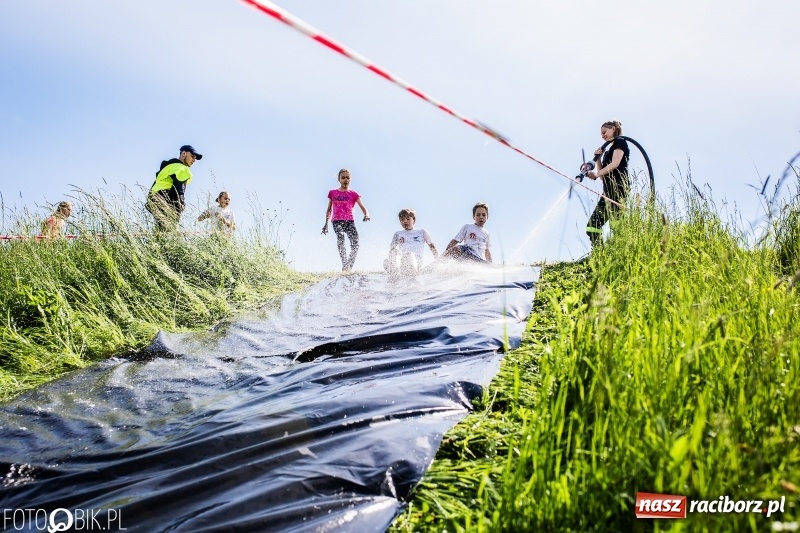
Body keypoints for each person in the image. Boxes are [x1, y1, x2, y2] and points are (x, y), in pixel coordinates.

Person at [585, 120, 630, 247]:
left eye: (604, 132)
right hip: (608, 191)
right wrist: (598, 159)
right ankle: (601, 255)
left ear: (614, 128)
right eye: (601, 134)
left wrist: (597, 174)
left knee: (617, 226)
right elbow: (602, 176)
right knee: (592, 227)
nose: (603, 136)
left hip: (618, 188)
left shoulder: (620, 142)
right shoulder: (608, 151)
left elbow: (615, 164)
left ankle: (620, 253)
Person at [321, 168, 370, 271]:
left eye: (348, 178)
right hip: (337, 221)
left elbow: (363, 208)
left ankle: (349, 266)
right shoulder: (333, 192)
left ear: (350, 179)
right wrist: (326, 224)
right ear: (339, 179)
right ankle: (344, 263)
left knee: (355, 243)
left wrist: (366, 215)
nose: (345, 180)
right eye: (343, 178)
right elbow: (329, 209)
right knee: (341, 237)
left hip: (349, 221)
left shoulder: (354, 194)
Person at [146, 144, 203, 231]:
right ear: (183, 154)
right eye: (192, 156)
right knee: (171, 230)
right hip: (164, 198)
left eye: (195, 158)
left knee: (161, 229)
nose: (194, 160)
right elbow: (178, 192)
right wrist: (179, 209)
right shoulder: (182, 169)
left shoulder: (168, 167)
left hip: (153, 198)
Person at [384, 208, 438, 276]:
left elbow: (431, 245)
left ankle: (413, 273)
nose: (405, 221)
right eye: (402, 220)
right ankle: (395, 273)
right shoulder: (397, 234)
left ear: (414, 220)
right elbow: (392, 250)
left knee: (408, 255)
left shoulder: (421, 232)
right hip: (402, 261)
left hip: (416, 260)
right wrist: (392, 258)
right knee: (393, 253)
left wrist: (437, 259)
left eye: (408, 219)